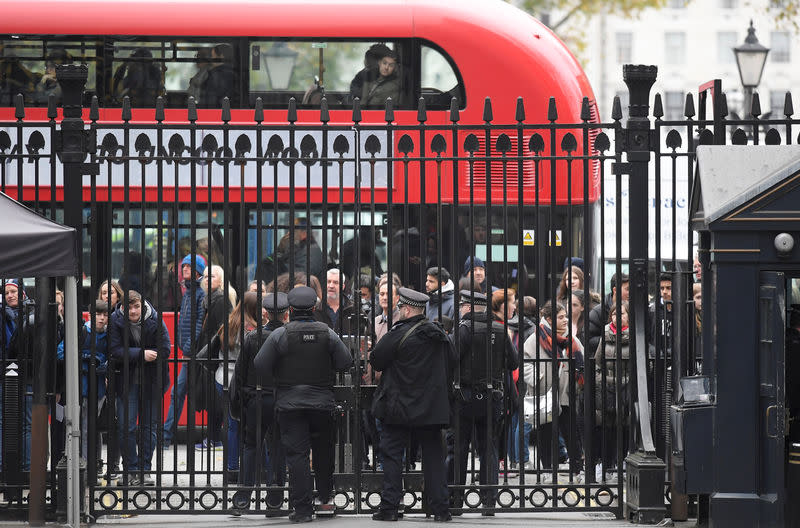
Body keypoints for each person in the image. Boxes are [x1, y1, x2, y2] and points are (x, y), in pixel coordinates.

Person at [253, 286, 352, 522]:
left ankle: (302, 509)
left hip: (290, 405)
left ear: (290, 310)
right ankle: (326, 499)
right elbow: (345, 362)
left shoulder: (281, 335)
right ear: (314, 307)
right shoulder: (327, 333)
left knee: (297, 456)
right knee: (323, 452)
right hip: (322, 403)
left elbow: (260, 364)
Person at [370, 287, 453, 522]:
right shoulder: (439, 335)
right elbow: (453, 362)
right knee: (434, 458)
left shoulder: (398, 334)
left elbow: (376, 360)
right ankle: (440, 509)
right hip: (431, 409)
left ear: (406, 309)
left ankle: (390, 507)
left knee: (393, 455)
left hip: (399, 406)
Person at [447, 290, 518, 513]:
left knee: (458, 448)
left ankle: (455, 499)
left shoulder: (465, 329)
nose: (460, 309)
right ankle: (489, 500)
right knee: (489, 448)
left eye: (462, 306)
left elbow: (450, 357)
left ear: (468, 307)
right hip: (492, 397)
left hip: (465, 397)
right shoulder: (499, 328)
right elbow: (513, 362)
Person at [231, 293, 289, 516]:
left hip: (256, 398)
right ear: (286, 314)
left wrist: (241, 399)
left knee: (251, 446)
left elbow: (241, 374)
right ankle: (274, 500)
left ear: (264, 313)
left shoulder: (253, 337)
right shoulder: (288, 336)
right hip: (282, 398)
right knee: (278, 447)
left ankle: (243, 499)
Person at [108, 290, 170, 485]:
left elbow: (166, 348)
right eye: (129, 307)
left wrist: (150, 354)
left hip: (151, 380)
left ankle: (145, 470)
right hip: (126, 382)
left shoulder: (155, 319)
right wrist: (141, 354)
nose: (133, 311)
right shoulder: (115, 320)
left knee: (149, 427)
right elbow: (114, 350)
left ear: (142, 307)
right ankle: (131, 469)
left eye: (137, 307)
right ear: (123, 308)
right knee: (126, 425)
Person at [524, 300, 584, 475]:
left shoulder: (570, 339)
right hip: (544, 394)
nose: (566, 320)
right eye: (561, 317)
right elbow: (525, 363)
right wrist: (538, 377)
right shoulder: (535, 339)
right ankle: (549, 470)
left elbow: (581, 361)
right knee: (546, 434)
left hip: (566, 393)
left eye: (565, 316)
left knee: (571, 432)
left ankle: (577, 470)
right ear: (549, 319)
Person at [163, 254, 207, 448]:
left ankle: (165, 436)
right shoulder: (188, 291)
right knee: (179, 392)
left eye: (189, 266)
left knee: (178, 392)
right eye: (184, 266)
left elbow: (198, 324)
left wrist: (187, 348)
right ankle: (166, 434)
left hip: (194, 353)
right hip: (189, 351)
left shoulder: (200, 293)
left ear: (198, 270)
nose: (184, 268)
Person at [57, 300, 109, 462]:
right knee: (74, 427)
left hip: (98, 390)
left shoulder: (109, 336)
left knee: (90, 429)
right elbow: (60, 353)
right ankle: (78, 463)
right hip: (79, 388)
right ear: (90, 315)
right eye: (98, 314)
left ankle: (87, 464)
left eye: (105, 315)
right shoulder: (81, 332)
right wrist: (86, 359)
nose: (101, 318)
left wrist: (101, 363)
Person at [192, 264, 236, 450]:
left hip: (213, 358)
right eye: (205, 276)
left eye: (212, 277)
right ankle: (213, 437)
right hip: (208, 356)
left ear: (221, 280)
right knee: (210, 398)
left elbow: (221, 331)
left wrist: (210, 352)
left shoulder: (220, 300)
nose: (207, 280)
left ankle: (214, 438)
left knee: (214, 400)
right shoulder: (209, 299)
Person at [592, 301, 630, 477]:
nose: (617, 317)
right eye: (614, 314)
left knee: (623, 428)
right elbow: (597, 363)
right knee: (607, 429)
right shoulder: (605, 335)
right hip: (606, 387)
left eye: (621, 314)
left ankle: (620, 464)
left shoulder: (634, 337)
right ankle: (606, 466)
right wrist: (601, 379)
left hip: (626, 387)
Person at [587, 272, 629, 356]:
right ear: (615, 290)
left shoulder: (637, 310)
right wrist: (612, 340)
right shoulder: (598, 312)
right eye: (627, 289)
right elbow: (589, 340)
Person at [201, 43, 237, 108]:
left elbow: (211, 100)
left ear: (221, 56)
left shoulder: (216, 75)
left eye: (212, 56)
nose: (211, 59)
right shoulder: (234, 73)